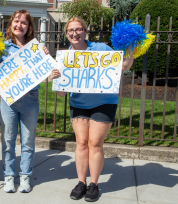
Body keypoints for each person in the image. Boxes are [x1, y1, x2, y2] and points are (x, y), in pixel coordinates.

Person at [51, 17, 134, 202]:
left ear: (85, 32)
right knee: (81, 143)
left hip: (104, 102)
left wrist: (131, 49)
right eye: (71, 30)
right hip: (78, 104)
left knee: (95, 143)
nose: (75, 33)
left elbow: (123, 67)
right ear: (66, 34)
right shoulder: (65, 57)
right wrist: (55, 77)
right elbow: (61, 94)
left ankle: (94, 184)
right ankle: (81, 182)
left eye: (79, 29)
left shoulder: (101, 49)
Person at [0, 10, 49, 193]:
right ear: (10, 24)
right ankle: (8, 177)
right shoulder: (2, 47)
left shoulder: (36, 48)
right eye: (16, 21)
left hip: (30, 98)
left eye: (24, 22)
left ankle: (25, 177)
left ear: (29, 27)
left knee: (28, 141)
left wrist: (44, 55)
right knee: (8, 140)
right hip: (8, 99)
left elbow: (45, 70)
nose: (19, 25)